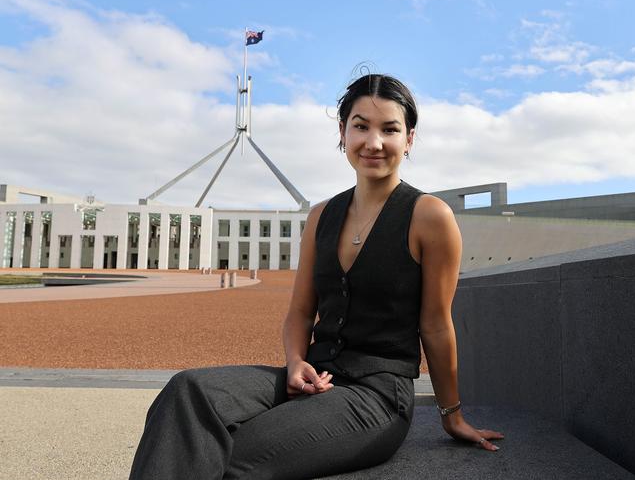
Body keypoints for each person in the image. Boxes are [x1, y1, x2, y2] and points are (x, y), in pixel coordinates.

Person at [129, 73, 503, 480]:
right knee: (186, 391)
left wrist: (452, 415)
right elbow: (300, 312)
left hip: (375, 396)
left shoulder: (429, 216)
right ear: (343, 132)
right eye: (360, 126)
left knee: (229, 454)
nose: (373, 142)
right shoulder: (322, 215)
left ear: (409, 139)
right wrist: (293, 362)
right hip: (313, 375)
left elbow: (435, 325)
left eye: (389, 129)